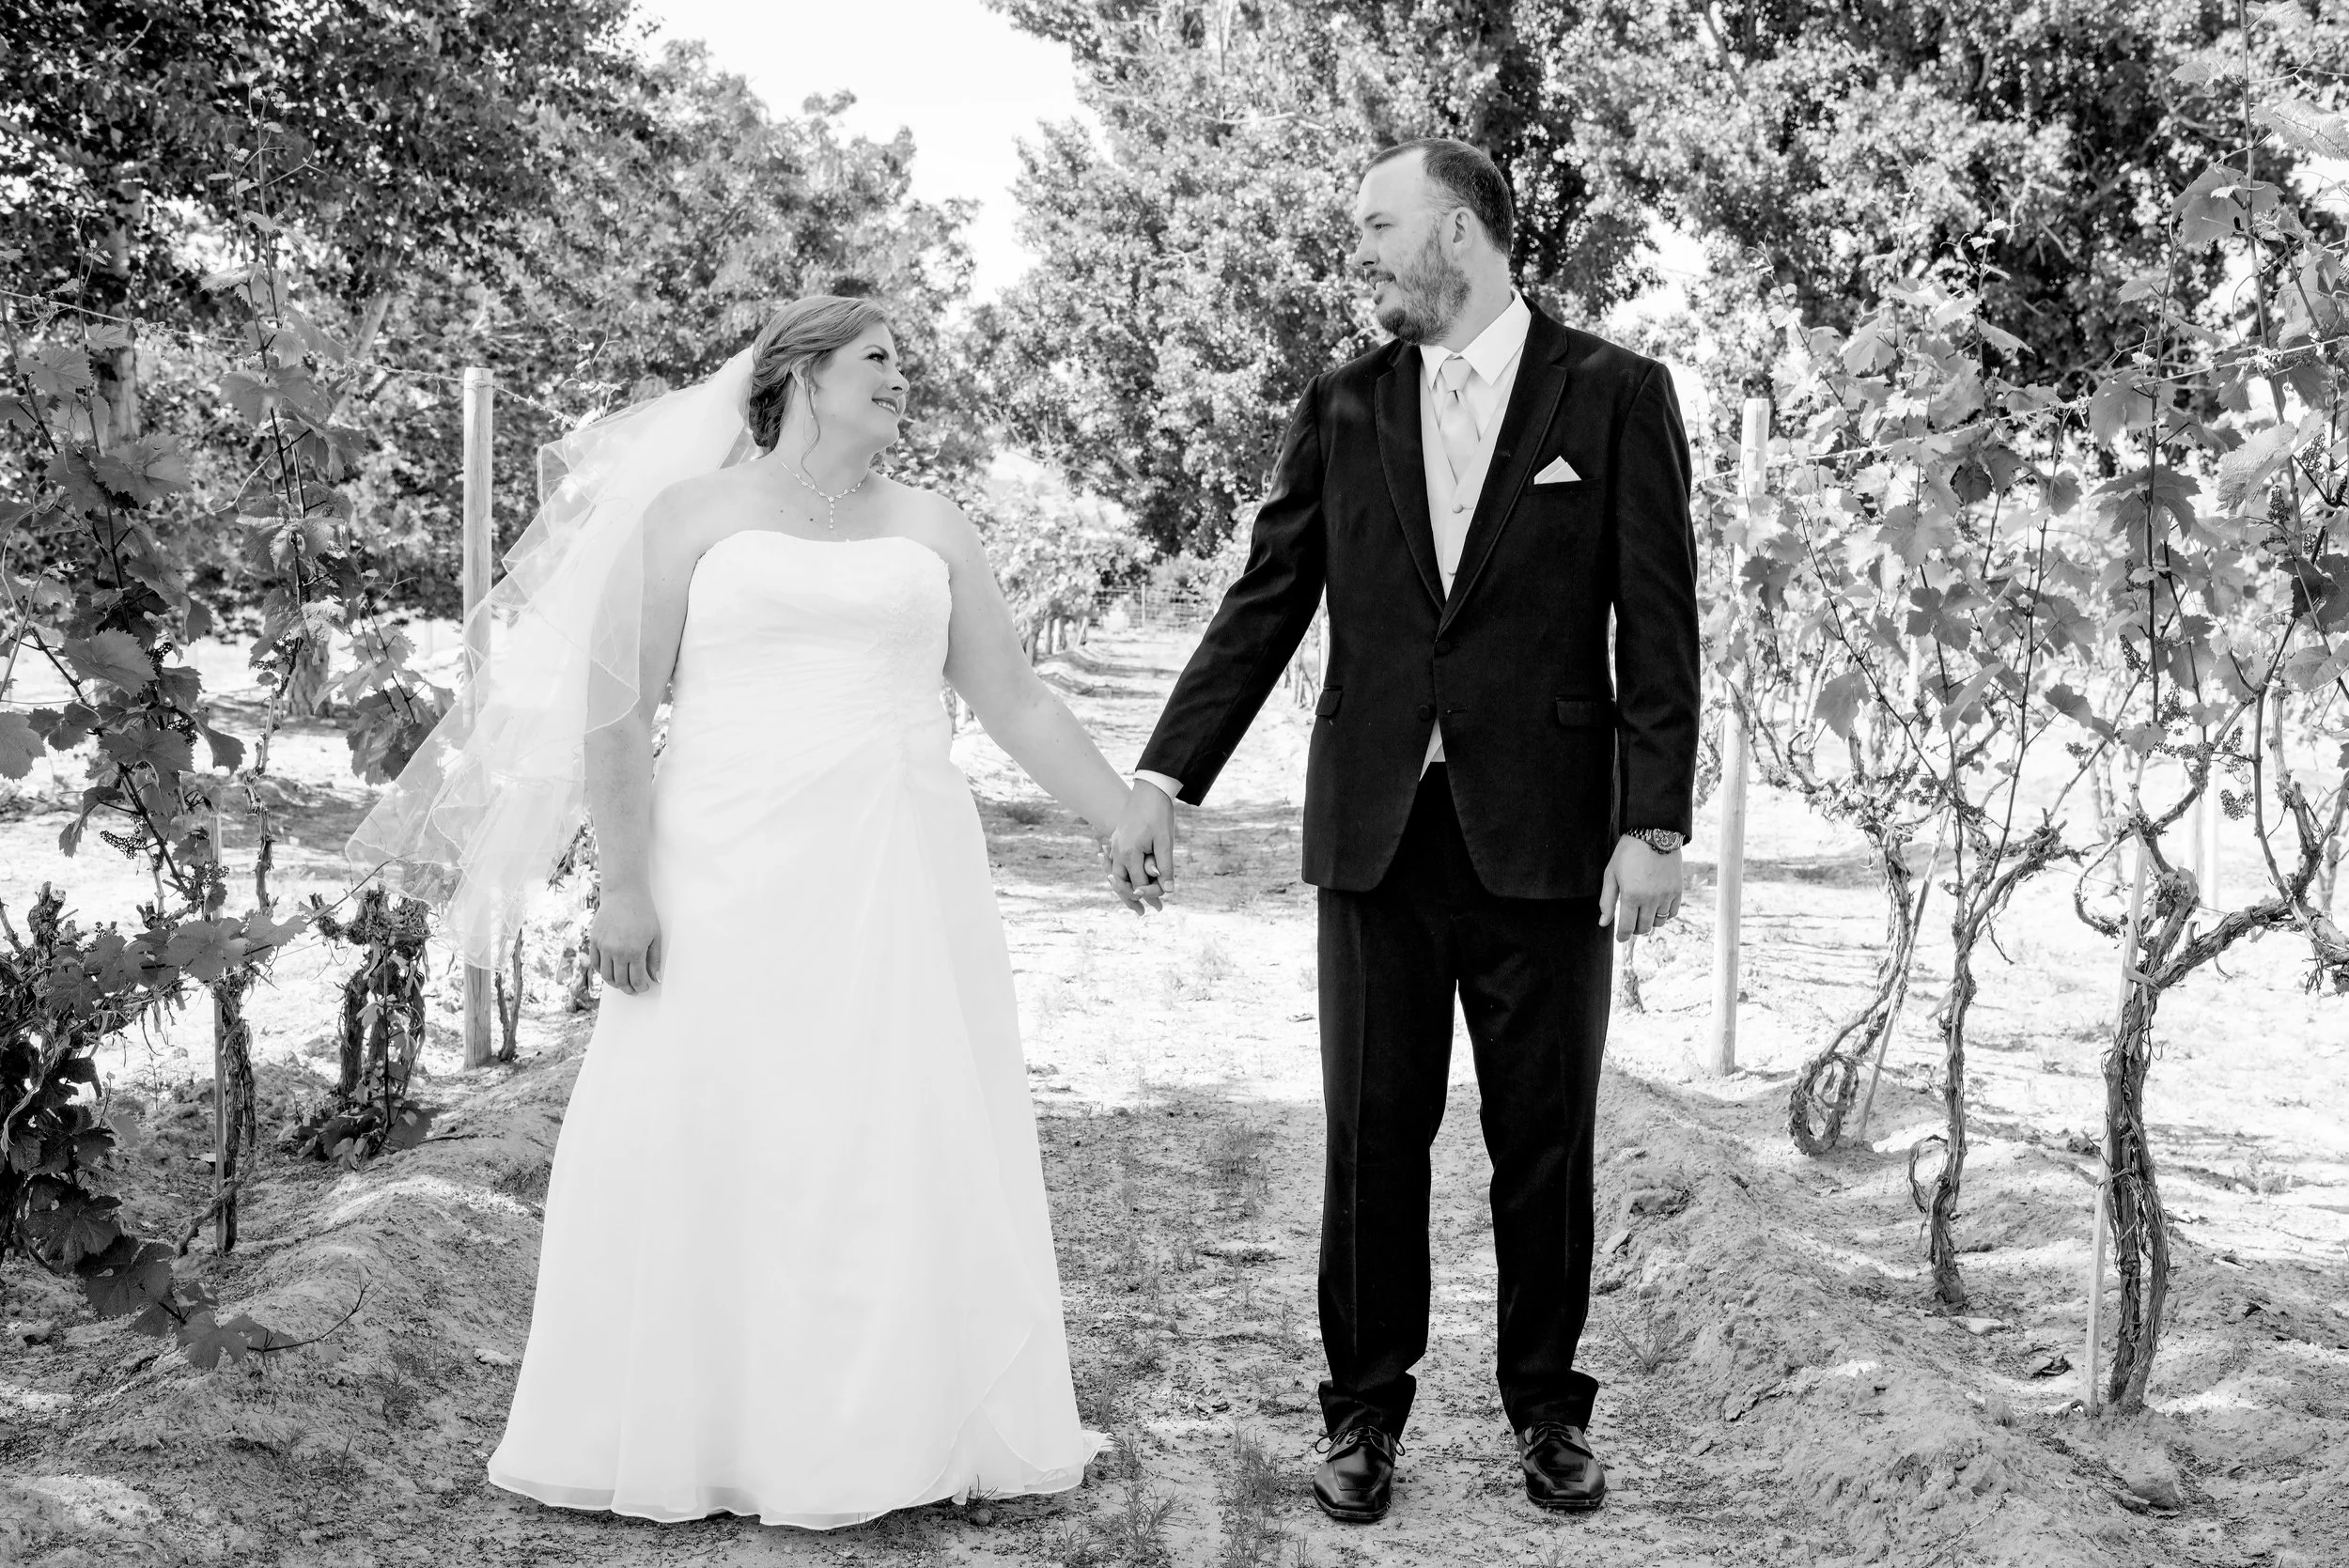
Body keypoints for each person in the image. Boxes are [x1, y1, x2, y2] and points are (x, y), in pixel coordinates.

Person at [350, 296, 1139, 1527]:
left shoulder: (934, 525)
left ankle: (886, 1429)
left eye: (903, 365)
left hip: (896, 876)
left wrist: (1118, 811)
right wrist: (623, 882)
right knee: (714, 1126)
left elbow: (1018, 699)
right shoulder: (689, 517)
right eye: (879, 361)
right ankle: (705, 1426)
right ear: (803, 376)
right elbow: (616, 711)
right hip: (723, 867)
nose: (901, 382)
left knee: (884, 1139)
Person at [1105, 138, 1701, 1523]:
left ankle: (1549, 1413)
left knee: (1542, 1140)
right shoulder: (1345, 406)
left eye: (1379, 224)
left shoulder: (1614, 395)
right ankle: (1363, 1414)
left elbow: (1660, 620)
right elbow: (1268, 602)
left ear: (1461, 229)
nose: (1362, 251)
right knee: (1372, 1134)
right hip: (1375, 836)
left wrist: (1653, 824)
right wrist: (1164, 776)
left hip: (1551, 838)